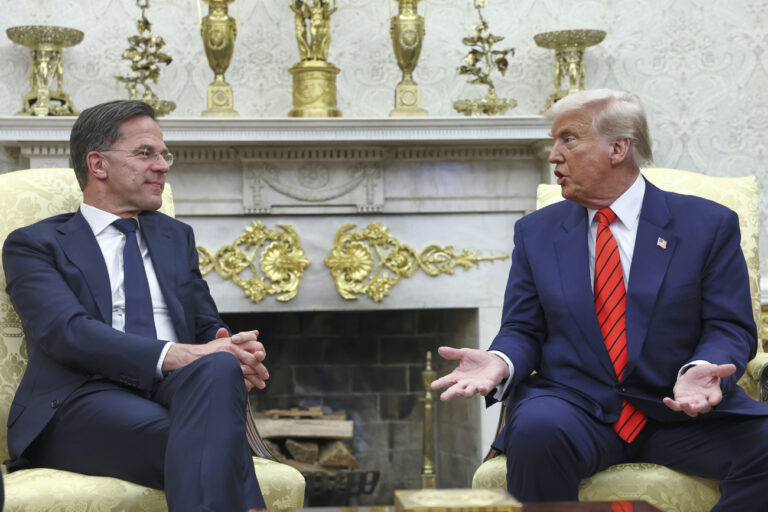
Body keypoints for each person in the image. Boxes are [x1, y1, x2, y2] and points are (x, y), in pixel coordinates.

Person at [431, 89, 768, 510]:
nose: (553, 155)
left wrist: (701, 369)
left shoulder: (707, 225)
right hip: (575, 408)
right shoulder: (536, 233)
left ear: (618, 148)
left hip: (679, 407)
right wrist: (503, 360)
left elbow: (729, 325)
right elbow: (523, 328)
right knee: (536, 429)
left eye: (568, 140)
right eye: (554, 142)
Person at [2, 100, 269, 512]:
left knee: (216, 370)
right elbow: (66, 332)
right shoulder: (35, 244)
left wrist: (232, 350)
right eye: (146, 153)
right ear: (98, 165)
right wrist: (179, 355)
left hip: (175, 393)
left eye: (164, 155)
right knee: (210, 439)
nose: (162, 166)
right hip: (79, 399)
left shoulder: (174, 237)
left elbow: (205, 325)